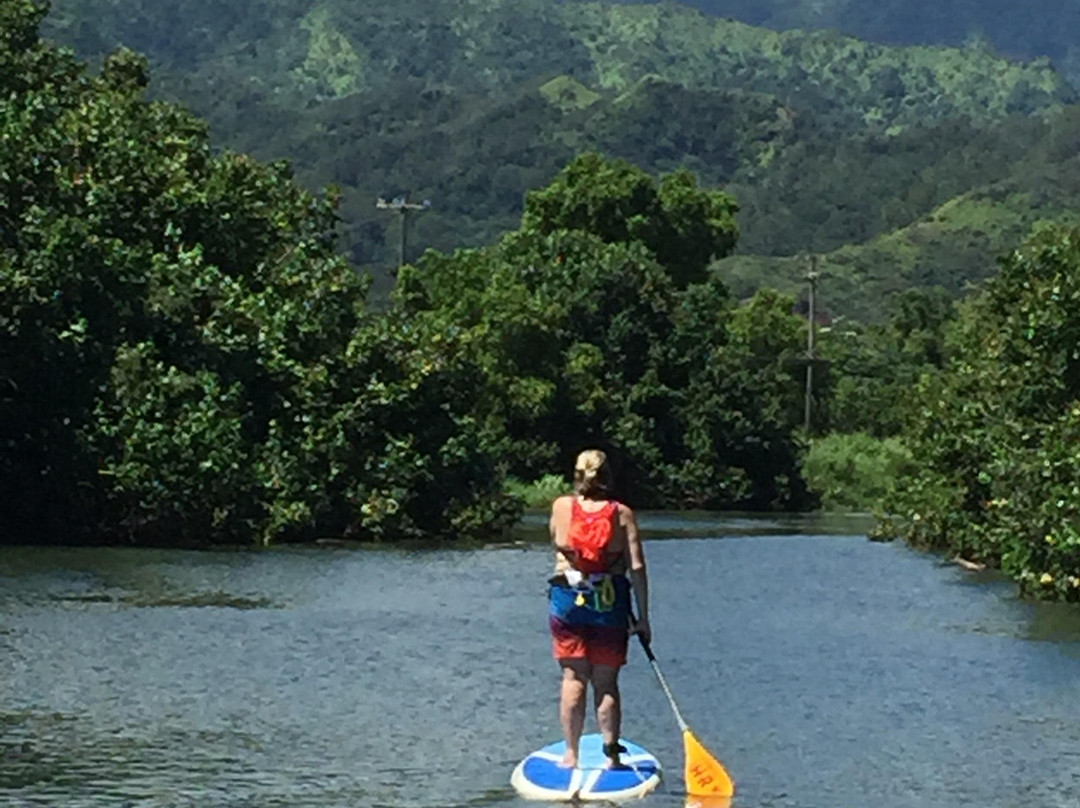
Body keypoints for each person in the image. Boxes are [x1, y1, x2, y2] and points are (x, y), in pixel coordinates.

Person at [547, 448, 650, 769]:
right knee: (605, 681)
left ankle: (571, 755)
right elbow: (636, 566)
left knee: (573, 677)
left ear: (577, 475)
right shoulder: (622, 514)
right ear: (607, 476)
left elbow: (556, 543)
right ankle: (612, 757)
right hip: (608, 601)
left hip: (568, 600)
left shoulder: (561, 507)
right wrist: (643, 617)